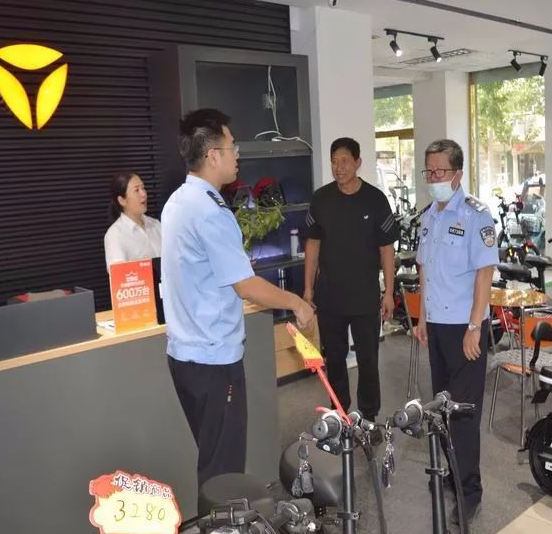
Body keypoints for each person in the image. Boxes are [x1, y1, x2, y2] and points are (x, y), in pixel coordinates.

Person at [161, 108, 314, 494]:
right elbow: (246, 286)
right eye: (233, 147)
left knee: (212, 459)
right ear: (213, 155)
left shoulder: (177, 202)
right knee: (223, 473)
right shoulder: (211, 212)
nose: (238, 155)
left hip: (185, 356)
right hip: (213, 361)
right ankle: (223, 520)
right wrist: (296, 301)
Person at [413, 139, 498, 522]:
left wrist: (474, 327)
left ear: (458, 173)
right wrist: (421, 318)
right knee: (442, 408)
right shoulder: (429, 216)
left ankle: (469, 493)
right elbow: (425, 270)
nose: (433, 178)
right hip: (436, 327)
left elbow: (484, 274)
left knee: (463, 415)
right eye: (429, 171)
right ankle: (452, 472)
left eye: (440, 171)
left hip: (466, 329)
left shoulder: (477, 216)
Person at [303, 137, 397, 434]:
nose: (338, 167)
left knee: (368, 359)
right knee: (334, 359)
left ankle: (369, 416)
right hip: (329, 296)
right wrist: (307, 289)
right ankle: (339, 412)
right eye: (334, 161)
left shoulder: (375, 199)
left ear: (357, 163)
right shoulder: (321, 199)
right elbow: (312, 246)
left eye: (344, 161)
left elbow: (387, 249)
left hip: (365, 297)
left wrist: (389, 292)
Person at [103, 172, 162, 270]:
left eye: (143, 188)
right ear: (122, 200)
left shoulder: (156, 224)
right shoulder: (115, 235)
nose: (144, 194)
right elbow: (119, 274)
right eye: (136, 190)